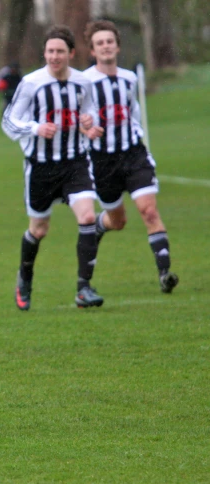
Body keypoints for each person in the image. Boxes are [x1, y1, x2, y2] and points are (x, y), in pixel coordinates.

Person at [2, 25, 106, 311]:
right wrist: (35, 128)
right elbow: (9, 121)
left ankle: (84, 288)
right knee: (39, 229)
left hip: (75, 162)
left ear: (71, 53)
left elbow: (93, 115)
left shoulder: (83, 82)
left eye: (60, 51)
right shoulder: (32, 83)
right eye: (50, 51)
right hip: (41, 167)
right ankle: (25, 277)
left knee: (87, 217)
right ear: (44, 53)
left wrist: (90, 125)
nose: (54, 56)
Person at [83, 20, 179, 293]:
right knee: (118, 221)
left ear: (118, 46)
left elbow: (133, 112)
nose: (106, 47)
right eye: (100, 43)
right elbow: (76, 116)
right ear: (93, 50)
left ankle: (165, 274)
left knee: (149, 211)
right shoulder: (85, 81)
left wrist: (135, 132)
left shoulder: (129, 78)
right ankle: (102, 225)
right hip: (103, 162)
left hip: (133, 155)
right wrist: (86, 127)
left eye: (110, 42)